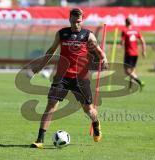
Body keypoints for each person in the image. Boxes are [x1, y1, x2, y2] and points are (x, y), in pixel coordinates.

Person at [30, 8, 108, 148]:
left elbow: (99, 51)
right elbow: (51, 51)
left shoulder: (88, 35)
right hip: (62, 77)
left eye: (78, 22)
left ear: (82, 20)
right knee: (51, 105)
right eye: (73, 21)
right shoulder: (62, 34)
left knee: (88, 110)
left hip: (81, 79)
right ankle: (40, 140)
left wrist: (104, 59)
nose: (76, 24)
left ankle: (96, 124)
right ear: (69, 19)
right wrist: (40, 66)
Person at [121, 17, 146, 91]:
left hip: (128, 53)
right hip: (136, 54)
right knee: (132, 71)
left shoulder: (125, 31)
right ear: (131, 23)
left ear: (125, 23)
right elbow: (143, 41)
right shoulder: (137, 30)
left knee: (127, 71)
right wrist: (144, 51)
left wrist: (121, 42)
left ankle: (139, 81)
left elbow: (122, 43)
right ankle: (130, 88)